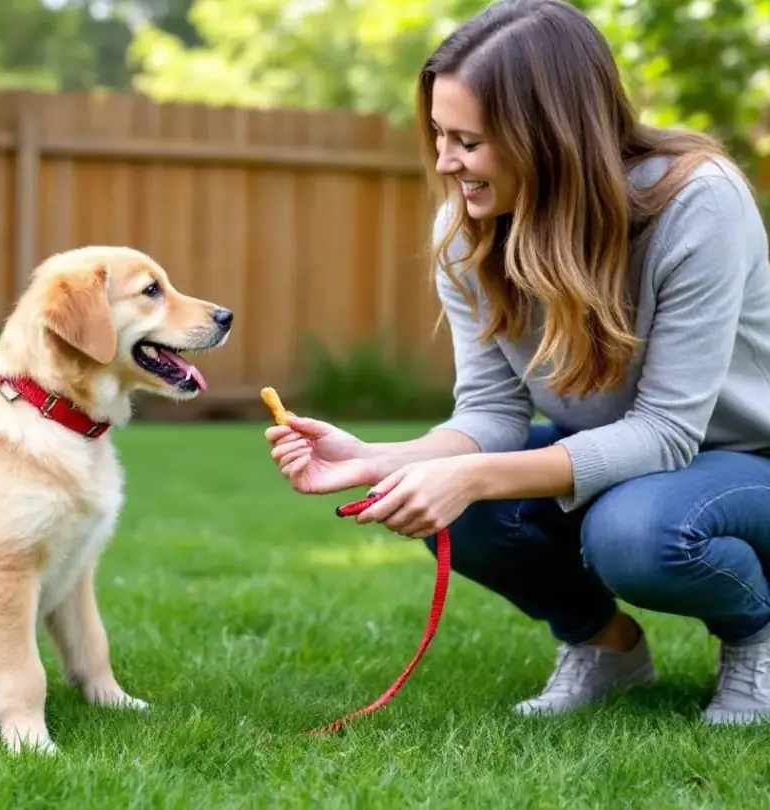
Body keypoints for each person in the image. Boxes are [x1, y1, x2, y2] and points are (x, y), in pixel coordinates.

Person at [266, 0, 770, 725]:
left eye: (467, 140)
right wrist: (382, 458)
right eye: (439, 135)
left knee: (633, 532)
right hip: (623, 460)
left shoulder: (698, 203)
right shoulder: (470, 228)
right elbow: (492, 416)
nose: (444, 163)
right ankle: (606, 647)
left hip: (744, 462)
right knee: (460, 510)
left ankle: (757, 638)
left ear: (549, 137)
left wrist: (468, 476)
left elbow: (665, 433)